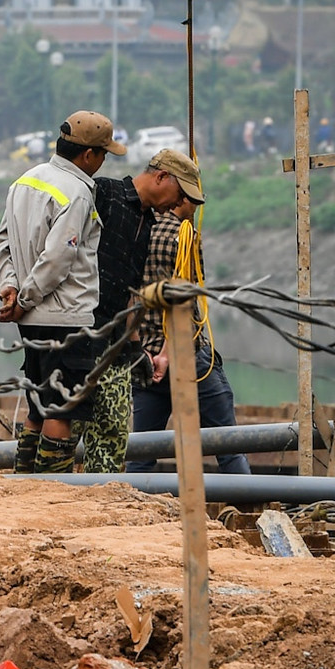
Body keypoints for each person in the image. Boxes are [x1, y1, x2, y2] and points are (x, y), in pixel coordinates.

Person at [0, 111, 124, 473]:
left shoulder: (25, 181)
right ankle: (54, 492)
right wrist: (26, 298)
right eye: (103, 154)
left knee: (37, 406)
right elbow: (58, 258)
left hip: (30, 321)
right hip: (66, 318)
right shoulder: (77, 192)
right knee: (62, 410)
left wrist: (10, 288)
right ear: (88, 155)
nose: (103, 162)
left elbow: (0, 244)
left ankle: (24, 482)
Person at [81, 150, 201, 472]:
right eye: (179, 195)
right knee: (69, 422)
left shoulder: (147, 222)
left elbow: (132, 291)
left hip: (117, 341)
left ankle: (99, 498)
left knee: (114, 430)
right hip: (80, 330)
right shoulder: (104, 193)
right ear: (162, 177)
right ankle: (45, 496)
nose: (177, 206)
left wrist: (135, 347)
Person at [127, 194, 251, 474]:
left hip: (145, 360)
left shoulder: (134, 230)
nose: (196, 207)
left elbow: (128, 298)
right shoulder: (184, 235)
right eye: (194, 200)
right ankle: (250, 510)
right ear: (179, 197)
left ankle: (129, 514)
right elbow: (184, 302)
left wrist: (143, 352)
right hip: (186, 358)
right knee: (227, 446)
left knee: (141, 453)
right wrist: (168, 354)